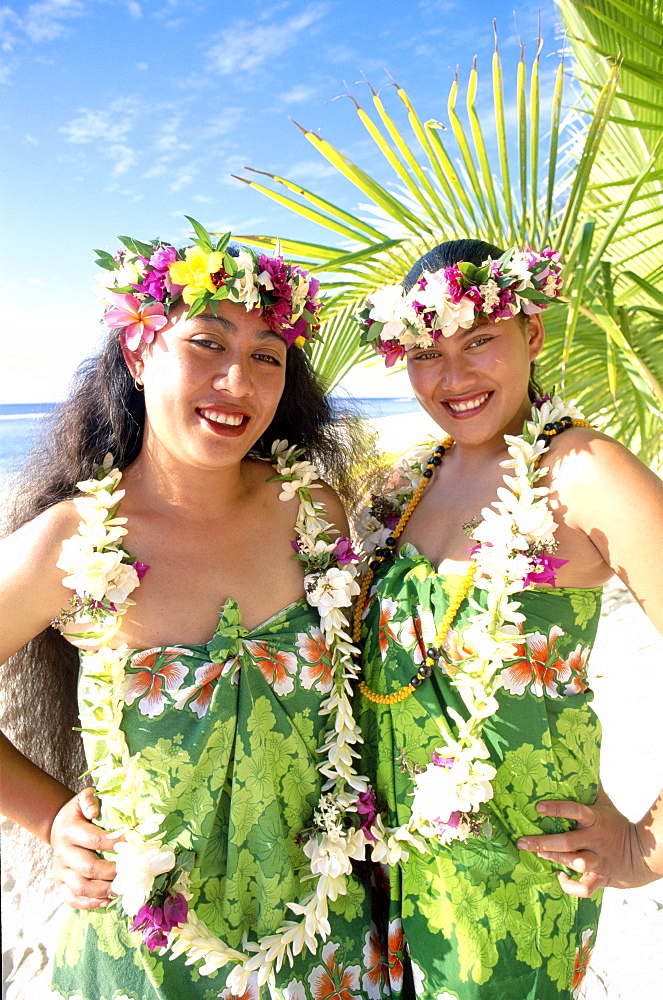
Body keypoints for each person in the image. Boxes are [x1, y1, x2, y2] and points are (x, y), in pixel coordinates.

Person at [0, 222, 383, 1000]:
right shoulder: (76, 541)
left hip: (321, 940)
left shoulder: (311, 512)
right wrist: (50, 820)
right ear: (139, 353)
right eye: (206, 343)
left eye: (266, 357)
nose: (238, 384)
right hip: (144, 953)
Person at [351, 240, 663, 999]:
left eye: (478, 340)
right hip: (381, 856)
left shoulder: (583, 472)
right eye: (425, 352)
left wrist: (646, 848)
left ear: (531, 334)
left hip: (513, 868)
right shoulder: (406, 482)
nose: (452, 377)